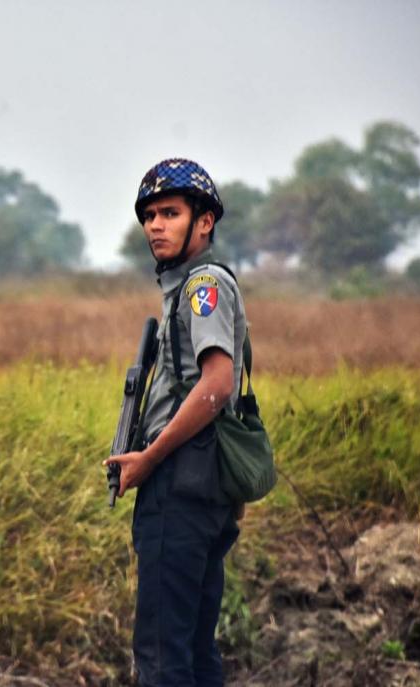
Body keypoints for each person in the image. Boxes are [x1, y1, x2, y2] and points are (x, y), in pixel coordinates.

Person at [103, 158, 247, 686]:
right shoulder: (189, 287)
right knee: (194, 652)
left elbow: (217, 385)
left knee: (163, 656)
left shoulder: (202, 286)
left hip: (180, 489)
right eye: (149, 216)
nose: (154, 226)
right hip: (203, 490)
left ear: (203, 221)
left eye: (169, 213)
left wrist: (148, 458)